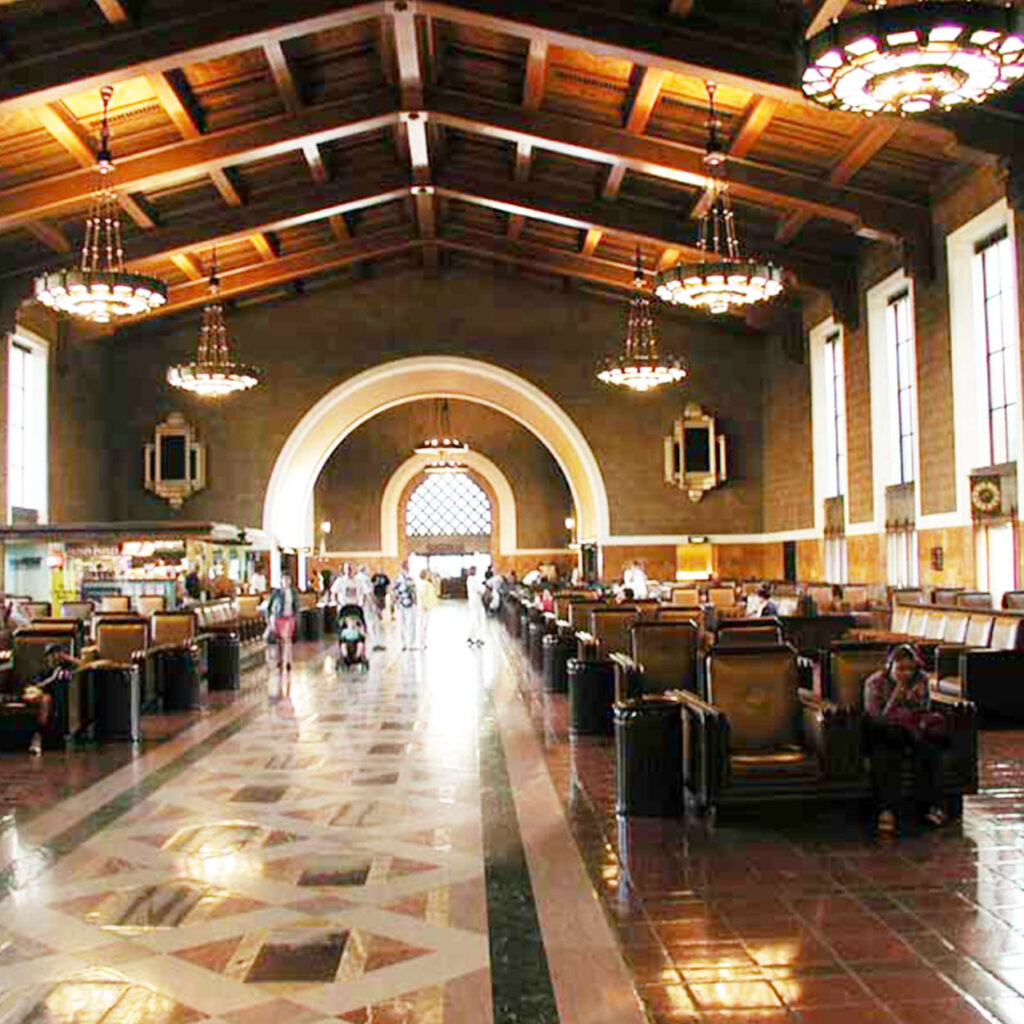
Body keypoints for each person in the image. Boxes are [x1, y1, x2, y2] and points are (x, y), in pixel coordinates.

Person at [863, 643, 950, 834]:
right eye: (901, 668)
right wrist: (897, 694)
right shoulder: (875, 682)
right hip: (884, 731)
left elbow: (923, 710)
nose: (907, 673)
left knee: (928, 751)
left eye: (911, 668)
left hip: (912, 729)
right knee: (887, 751)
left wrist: (914, 701)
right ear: (890, 666)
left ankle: (929, 807)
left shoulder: (921, 680)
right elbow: (877, 717)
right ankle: (886, 811)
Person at [264, 573, 300, 677]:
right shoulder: (276, 592)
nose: (286, 582)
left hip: (289, 618)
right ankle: (280, 660)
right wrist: (268, 618)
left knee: (287, 639)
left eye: (288, 580)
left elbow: (296, 605)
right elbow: (269, 606)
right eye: (284, 580)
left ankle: (288, 660)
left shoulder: (293, 592)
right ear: (281, 581)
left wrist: (296, 616)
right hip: (278, 618)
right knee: (279, 640)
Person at [393, 561, 417, 650]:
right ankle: (407, 643)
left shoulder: (407, 578)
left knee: (406, 624)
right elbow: (395, 591)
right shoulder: (403, 579)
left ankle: (408, 643)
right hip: (403, 603)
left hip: (406, 603)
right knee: (405, 624)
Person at [416, 569, 438, 648]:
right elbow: (422, 595)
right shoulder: (424, 584)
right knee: (423, 625)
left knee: (424, 625)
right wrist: (425, 605)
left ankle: (423, 642)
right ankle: (421, 642)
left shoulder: (425, 584)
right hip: (424, 607)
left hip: (425, 606)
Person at [466, 566, 487, 646]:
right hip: (476, 602)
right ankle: (477, 638)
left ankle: (472, 637)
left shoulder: (469, 579)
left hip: (472, 601)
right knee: (477, 620)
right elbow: (481, 590)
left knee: (473, 619)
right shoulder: (474, 580)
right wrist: (484, 587)